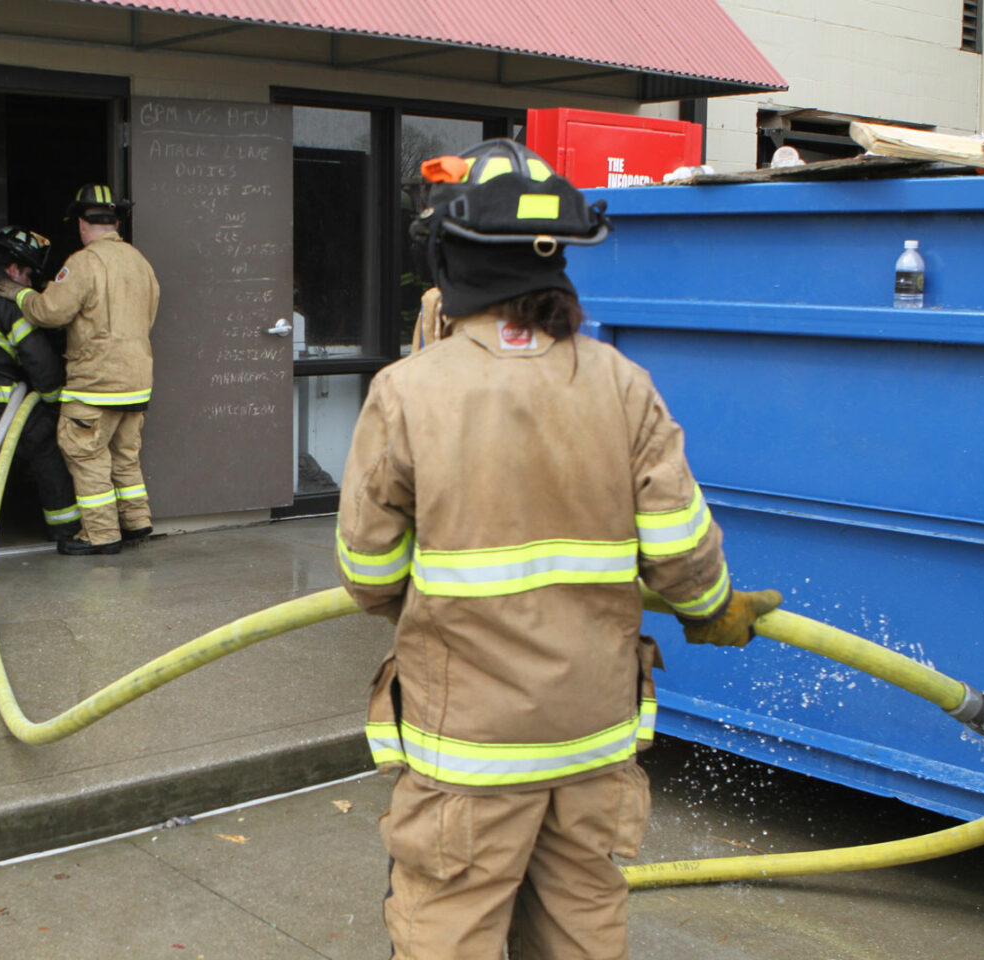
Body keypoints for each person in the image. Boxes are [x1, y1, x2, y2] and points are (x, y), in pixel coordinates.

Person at [334, 139, 781, 960]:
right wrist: (713, 608)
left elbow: (367, 570)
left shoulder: (408, 392)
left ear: (451, 259)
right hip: (593, 738)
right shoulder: (621, 382)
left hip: (468, 744)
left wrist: (434, 599)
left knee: (448, 931)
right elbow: (683, 551)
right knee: (581, 931)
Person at [0, 184, 159, 556]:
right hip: (136, 383)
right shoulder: (140, 261)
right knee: (124, 456)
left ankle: (100, 536)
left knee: (86, 455)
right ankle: (136, 522)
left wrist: (20, 295)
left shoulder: (84, 262)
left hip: (95, 385)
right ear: (115, 222)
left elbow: (51, 313)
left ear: (83, 224)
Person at [0, 226, 80, 542]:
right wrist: (54, 399)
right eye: (29, 276)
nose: (30, 285)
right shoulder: (7, 300)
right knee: (44, 440)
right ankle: (67, 529)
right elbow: (38, 360)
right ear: (12, 270)